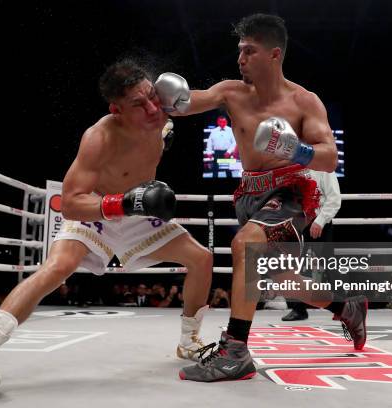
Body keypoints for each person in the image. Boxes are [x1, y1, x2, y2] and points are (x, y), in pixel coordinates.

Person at [0, 59, 213, 392]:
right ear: (117, 109)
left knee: (201, 259)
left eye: (151, 96)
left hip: (137, 213)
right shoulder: (98, 138)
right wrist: (123, 203)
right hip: (98, 210)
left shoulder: (163, 111)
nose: (151, 107)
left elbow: (215, 98)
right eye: (138, 104)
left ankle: (189, 341)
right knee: (58, 267)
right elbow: (71, 203)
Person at [154, 13, 368, 382]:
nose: (240, 59)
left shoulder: (304, 102)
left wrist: (294, 150)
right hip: (249, 195)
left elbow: (329, 156)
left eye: (249, 51)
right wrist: (163, 98)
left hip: (291, 193)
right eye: (239, 51)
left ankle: (236, 350)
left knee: (246, 246)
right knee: (277, 279)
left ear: (274, 54)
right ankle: (346, 306)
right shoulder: (231, 92)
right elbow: (186, 104)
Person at [282, 169, 341, 321]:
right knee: (294, 265)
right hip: (297, 222)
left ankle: (344, 307)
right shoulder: (292, 166)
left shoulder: (324, 168)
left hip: (318, 222)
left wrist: (320, 221)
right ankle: (298, 308)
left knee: (329, 265)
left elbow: (334, 198)